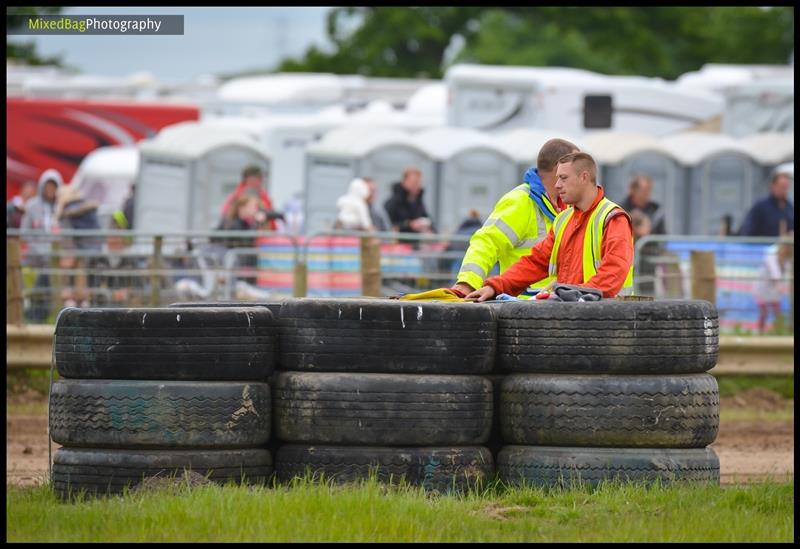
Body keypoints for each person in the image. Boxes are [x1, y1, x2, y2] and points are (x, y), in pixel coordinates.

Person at [466, 152, 634, 301]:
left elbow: (614, 269)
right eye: (557, 178)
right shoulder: (564, 220)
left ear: (584, 177)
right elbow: (536, 262)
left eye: (564, 178)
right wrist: (495, 287)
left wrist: (577, 296)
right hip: (574, 318)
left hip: (607, 323)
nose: (557, 185)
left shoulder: (613, 218)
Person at [451, 138, 579, 297]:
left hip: (555, 306)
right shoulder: (521, 201)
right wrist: (467, 283)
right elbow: (487, 242)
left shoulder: (567, 207)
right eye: (575, 169)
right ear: (558, 169)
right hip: (521, 308)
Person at [220, 164, 279, 231]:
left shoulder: (264, 196)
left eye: (259, 179)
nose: (257, 182)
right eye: (254, 179)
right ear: (246, 180)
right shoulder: (237, 196)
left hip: (265, 234)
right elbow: (227, 216)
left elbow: (271, 217)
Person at [754, 235, 793, 334]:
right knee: (764, 312)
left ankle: (779, 332)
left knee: (777, 313)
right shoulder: (771, 256)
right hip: (763, 288)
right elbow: (775, 273)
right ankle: (760, 333)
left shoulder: (787, 260)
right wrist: (780, 286)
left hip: (774, 291)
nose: (783, 250)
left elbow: (788, 272)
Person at [739, 172, 794, 237]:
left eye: (786, 187)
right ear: (772, 186)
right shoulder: (760, 207)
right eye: (782, 187)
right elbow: (748, 231)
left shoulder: (789, 207)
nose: (784, 190)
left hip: (783, 246)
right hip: (762, 246)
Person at [383, 167, 435, 236]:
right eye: (414, 182)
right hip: (398, 243)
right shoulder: (392, 202)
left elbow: (429, 221)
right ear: (404, 182)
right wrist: (408, 225)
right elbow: (386, 226)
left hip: (416, 243)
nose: (417, 185)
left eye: (419, 182)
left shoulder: (419, 202)